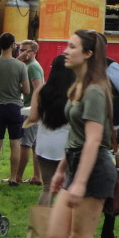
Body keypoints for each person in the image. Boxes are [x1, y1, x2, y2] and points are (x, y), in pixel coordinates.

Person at [46, 29, 119, 238]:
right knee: (54, 237)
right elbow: (77, 136)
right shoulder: (79, 85)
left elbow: (93, 141)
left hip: (92, 169)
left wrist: (78, 181)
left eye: (72, 46)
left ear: (88, 54)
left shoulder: (94, 90)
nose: (65, 50)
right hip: (77, 164)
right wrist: (64, 169)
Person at [25, 55, 73, 207]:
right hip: (67, 145)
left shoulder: (41, 90)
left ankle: (41, 225)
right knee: (66, 188)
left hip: (45, 143)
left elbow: (33, 116)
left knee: (47, 187)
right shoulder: (76, 91)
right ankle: (61, 225)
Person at [0, 32, 30, 185]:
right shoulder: (20, 66)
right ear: (13, 45)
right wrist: (16, 86)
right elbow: (26, 90)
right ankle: (12, 177)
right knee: (15, 142)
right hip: (14, 106)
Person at [14, 39, 45, 186]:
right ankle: (37, 176)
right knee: (35, 145)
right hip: (33, 109)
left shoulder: (32, 67)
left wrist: (34, 109)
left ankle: (18, 177)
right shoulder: (28, 66)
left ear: (33, 52)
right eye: (20, 50)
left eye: (25, 50)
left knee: (25, 144)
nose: (22, 53)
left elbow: (38, 89)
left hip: (31, 110)